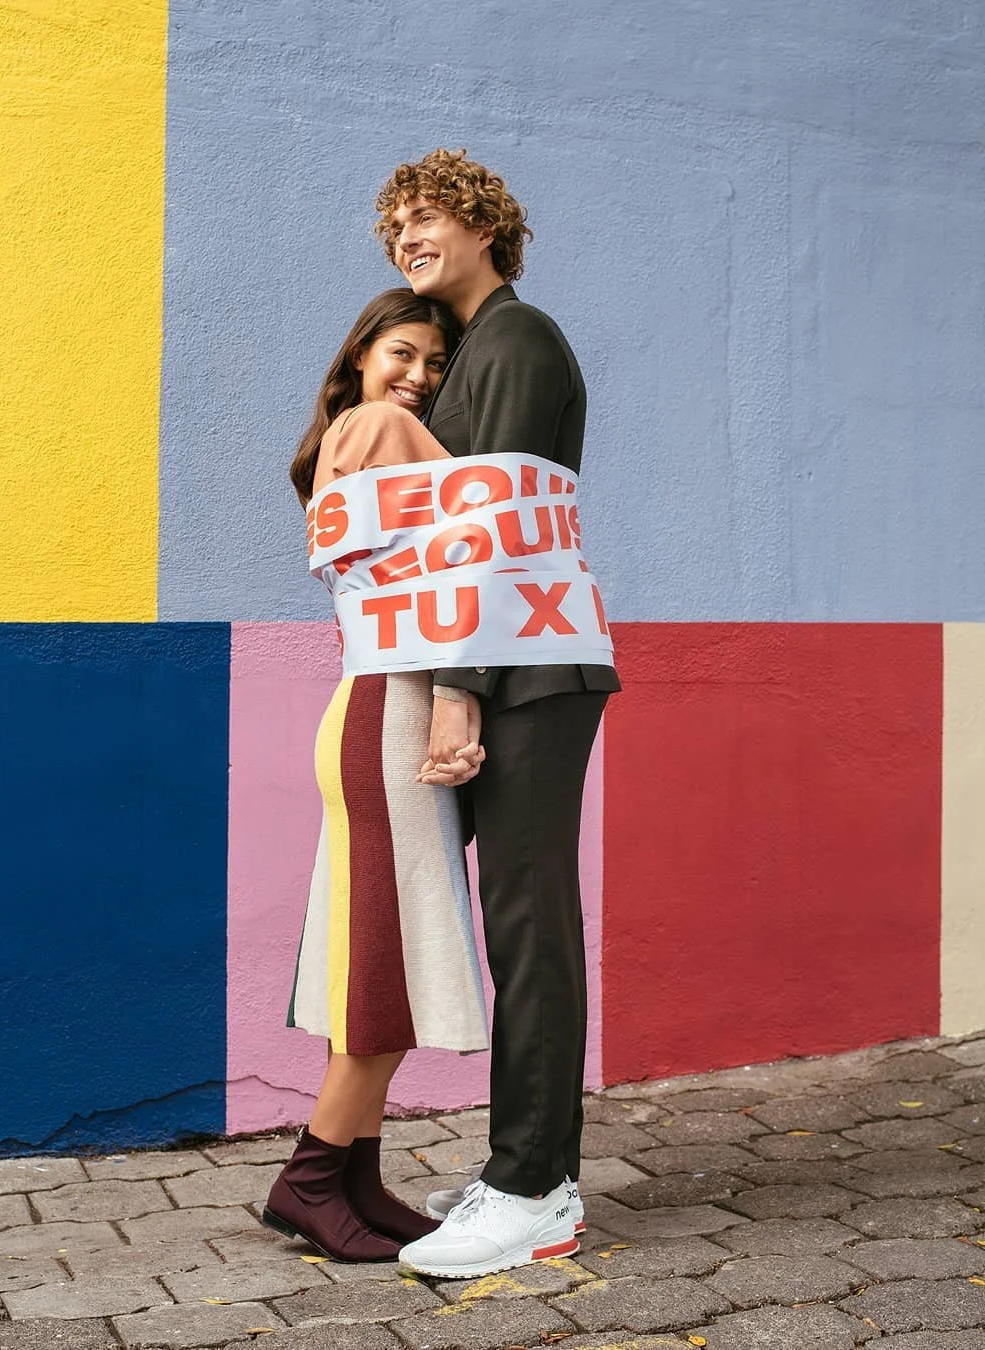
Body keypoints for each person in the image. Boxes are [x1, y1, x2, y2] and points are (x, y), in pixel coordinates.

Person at [372, 149, 622, 1278]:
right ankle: (525, 1168)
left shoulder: (517, 339)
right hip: (504, 663)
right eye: (396, 226)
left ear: (485, 227)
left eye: (427, 216)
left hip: (528, 672)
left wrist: (456, 695)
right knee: (519, 925)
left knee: (528, 929)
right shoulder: (471, 350)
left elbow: (498, 528)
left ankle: (534, 1192)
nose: (407, 237)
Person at [262, 290, 489, 1263]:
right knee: (383, 968)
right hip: (388, 716)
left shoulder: (347, 436)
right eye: (403, 352)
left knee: (375, 957)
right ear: (360, 353)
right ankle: (309, 1181)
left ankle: (355, 1179)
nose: (420, 378)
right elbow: (480, 536)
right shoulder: (380, 426)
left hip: (371, 708)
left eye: (436, 364)